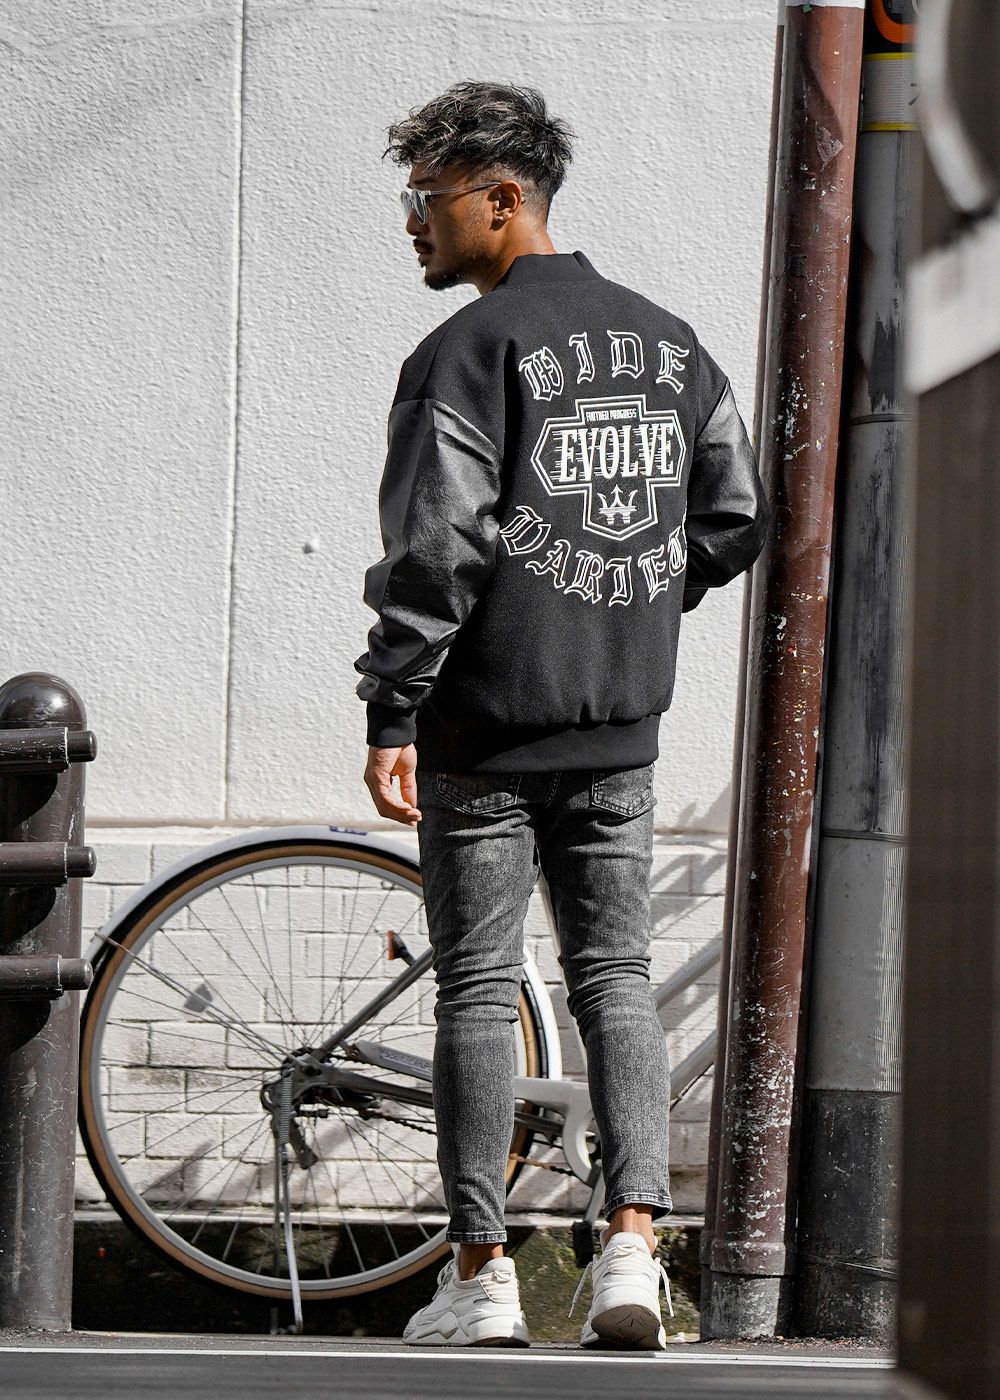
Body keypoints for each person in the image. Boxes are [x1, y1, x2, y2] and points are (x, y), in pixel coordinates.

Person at [354, 80, 770, 1349]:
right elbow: (735, 512)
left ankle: (481, 1271)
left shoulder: (465, 354)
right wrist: (632, 595)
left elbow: (436, 549)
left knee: (478, 988)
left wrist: (391, 704)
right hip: (619, 724)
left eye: (426, 197)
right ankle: (631, 1249)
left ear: (501, 197)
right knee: (616, 977)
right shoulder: (669, 343)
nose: (412, 222)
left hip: (482, 724)